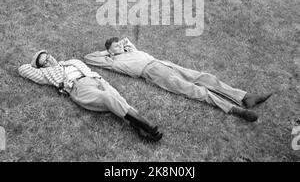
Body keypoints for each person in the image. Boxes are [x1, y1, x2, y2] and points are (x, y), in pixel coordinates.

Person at [84, 38, 272, 122]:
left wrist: (123, 45)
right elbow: (88, 58)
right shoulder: (114, 61)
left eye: (119, 44)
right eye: (115, 46)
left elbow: (126, 40)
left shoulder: (130, 50)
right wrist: (107, 52)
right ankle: (236, 110)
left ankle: (246, 96)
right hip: (153, 73)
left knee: (205, 77)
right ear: (110, 50)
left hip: (164, 64)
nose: (119, 46)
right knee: (195, 90)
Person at [18, 50, 163, 142]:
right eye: (45, 61)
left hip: (97, 80)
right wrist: (37, 65)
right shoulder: (46, 73)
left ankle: (138, 128)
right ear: (42, 67)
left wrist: (67, 64)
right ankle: (147, 126)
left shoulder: (72, 62)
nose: (49, 60)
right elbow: (23, 69)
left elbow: (86, 69)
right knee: (108, 98)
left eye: (48, 56)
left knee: (118, 100)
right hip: (78, 87)